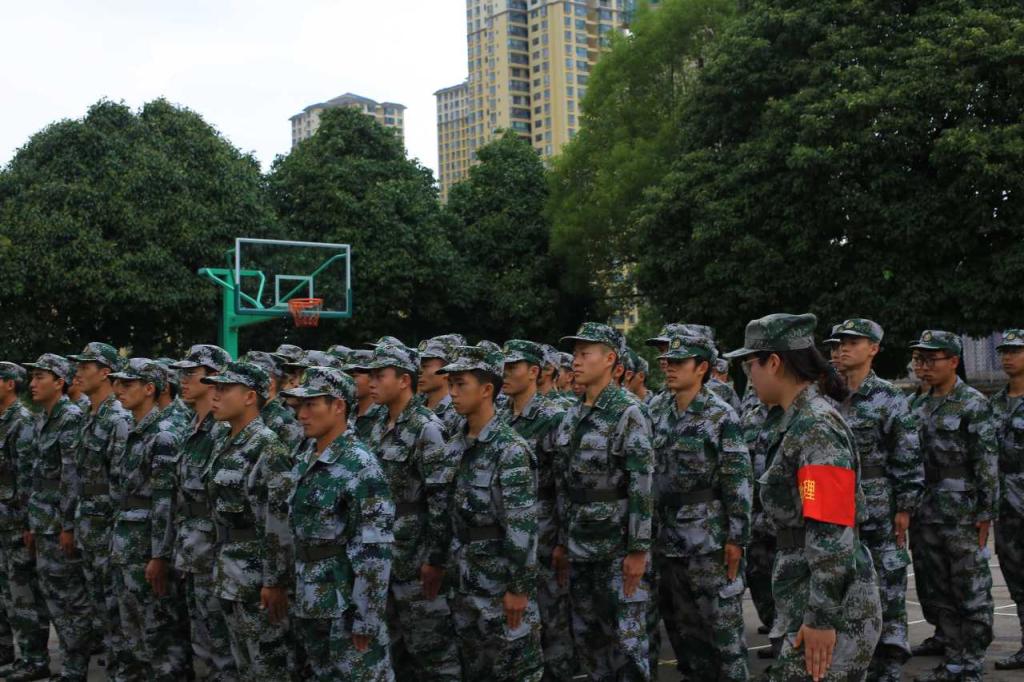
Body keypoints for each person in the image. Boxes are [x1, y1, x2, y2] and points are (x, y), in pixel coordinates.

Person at [725, 313, 882, 681]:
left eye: (750, 365)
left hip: (827, 603)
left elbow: (830, 529)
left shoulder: (815, 427)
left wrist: (821, 618)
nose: (749, 376)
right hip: (804, 591)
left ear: (773, 363)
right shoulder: (793, 421)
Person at [355, 342, 462, 681]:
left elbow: (440, 500)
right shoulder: (375, 423)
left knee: (433, 655)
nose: (371, 382)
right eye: (370, 375)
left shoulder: (426, 427)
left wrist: (436, 559)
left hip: (415, 560)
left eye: (380, 375)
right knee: (389, 653)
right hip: (379, 557)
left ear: (404, 380)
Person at [554, 322, 654, 681]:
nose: (576, 361)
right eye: (575, 354)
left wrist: (638, 550)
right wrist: (562, 541)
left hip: (615, 550)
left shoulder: (628, 412)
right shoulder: (573, 414)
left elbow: (642, 484)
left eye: (585, 354)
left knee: (626, 647)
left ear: (610, 359)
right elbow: (565, 485)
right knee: (589, 642)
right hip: (580, 547)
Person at [282, 366, 396, 681]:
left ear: (338, 406)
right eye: (299, 406)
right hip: (310, 597)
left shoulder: (360, 464)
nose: (301, 415)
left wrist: (366, 619)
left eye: (311, 405)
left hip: (345, 606)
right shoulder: (307, 456)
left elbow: (375, 548)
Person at [439, 345, 543, 681]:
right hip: (464, 581)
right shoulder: (455, 445)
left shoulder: (510, 450)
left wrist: (519, 588)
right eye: (450, 384)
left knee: (515, 669)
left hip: (500, 586)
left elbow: (522, 527)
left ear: (486, 390)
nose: (453, 393)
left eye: (460, 384)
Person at [653, 334, 752, 681]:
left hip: (709, 541)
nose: (669, 367)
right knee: (685, 633)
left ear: (702, 368)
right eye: (668, 361)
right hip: (667, 540)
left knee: (723, 635)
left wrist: (737, 538)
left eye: (680, 362)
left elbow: (737, 479)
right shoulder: (657, 410)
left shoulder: (720, 415)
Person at [834, 320, 924, 681]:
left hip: (879, 508)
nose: (843, 348)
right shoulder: (827, 395)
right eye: (840, 342)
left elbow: (907, 454)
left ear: (873, 349)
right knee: (844, 588)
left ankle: (889, 665)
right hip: (836, 507)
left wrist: (905, 507)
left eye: (853, 342)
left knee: (888, 587)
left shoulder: (889, 397)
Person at [907, 330, 998, 682]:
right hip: (925, 511)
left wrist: (986, 513)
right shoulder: (917, 403)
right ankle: (952, 652)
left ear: (954, 361)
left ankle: (971, 661)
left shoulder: (973, 403)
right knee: (935, 588)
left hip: (962, 513)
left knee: (970, 588)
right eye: (920, 359)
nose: (924, 366)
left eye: (932, 359)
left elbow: (986, 462)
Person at [202, 362, 294, 681]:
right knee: (243, 664)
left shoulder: (268, 446)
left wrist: (274, 580)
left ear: (250, 397)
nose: (215, 396)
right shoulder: (225, 440)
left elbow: (278, 522)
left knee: (267, 664)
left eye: (225, 389)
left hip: (257, 576)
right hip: (230, 569)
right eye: (215, 388)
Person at [106, 358, 190, 681]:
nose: (119, 390)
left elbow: (164, 501)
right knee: (135, 633)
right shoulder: (133, 429)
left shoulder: (163, 435)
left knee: (160, 634)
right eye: (117, 383)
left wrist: (159, 554)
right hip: (127, 543)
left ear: (149, 389)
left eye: (127, 384)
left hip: (146, 549)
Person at [499, 339, 573, 680]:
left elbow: (564, 485)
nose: (505, 374)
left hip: (545, 536)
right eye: (503, 367)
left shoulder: (553, 417)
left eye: (513, 367)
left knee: (553, 624)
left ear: (533, 372)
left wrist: (562, 542)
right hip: (511, 539)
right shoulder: (500, 417)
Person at [22, 353, 95, 682]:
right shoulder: (43, 417)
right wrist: (32, 523)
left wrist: (68, 526)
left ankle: (75, 668)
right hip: (43, 521)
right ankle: (68, 665)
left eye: (40, 377)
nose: (33, 383)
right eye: (32, 377)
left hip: (60, 524)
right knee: (53, 596)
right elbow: (37, 476)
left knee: (70, 599)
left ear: (59, 382)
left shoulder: (71, 417)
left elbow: (71, 477)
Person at [168, 344, 238, 682]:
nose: (183, 380)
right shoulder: (191, 427)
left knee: (221, 643)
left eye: (191, 373)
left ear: (214, 378)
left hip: (214, 551)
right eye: (181, 373)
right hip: (192, 548)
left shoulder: (221, 432)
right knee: (202, 637)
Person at [66, 343, 133, 678]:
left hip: (108, 529)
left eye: (86, 366)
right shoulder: (87, 416)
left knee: (116, 609)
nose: (77, 372)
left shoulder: (118, 418)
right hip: (88, 526)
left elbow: (121, 485)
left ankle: (124, 671)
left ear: (106, 372)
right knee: (100, 609)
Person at [0, 362, 50, 682]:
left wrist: (30, 524)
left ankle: (35, 658)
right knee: (6, 593)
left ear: (9, 384)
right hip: (3, 522)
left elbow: (29, 477)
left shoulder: (22, 422)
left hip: (16, 523)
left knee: (24, 594)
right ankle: (9, 651)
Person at [992, 329, 1024, 670]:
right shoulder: (995, 403)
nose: (1007, 357)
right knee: (1015, 578)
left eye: (1015, 350)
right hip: (1005, 507)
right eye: (1003, 351)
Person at [416, 334, 467, 437]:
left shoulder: (458, 414)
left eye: (425, 366)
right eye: (419, 366)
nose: (419, 371)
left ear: (446, 371)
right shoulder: (416, 407)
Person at [342, 350, 386, 442]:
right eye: (346, 376)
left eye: (354, 376)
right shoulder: (347, 411)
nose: (348, 382)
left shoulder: (384, 415)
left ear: (372, 376)